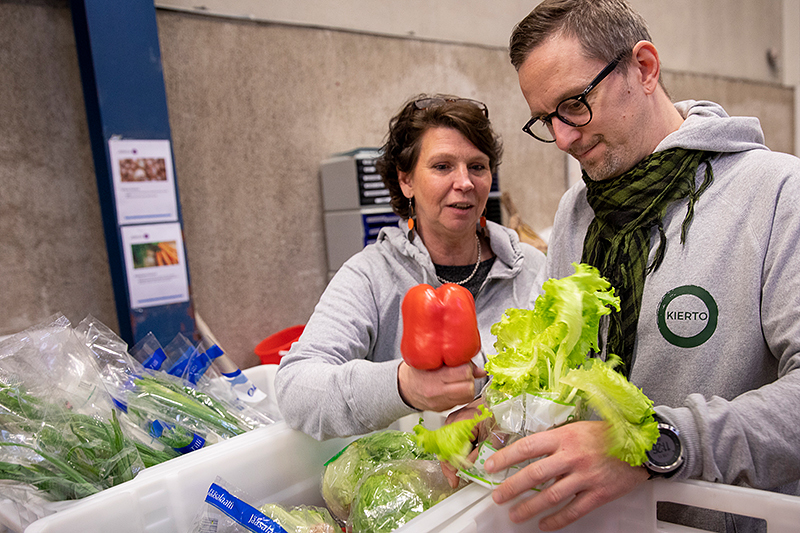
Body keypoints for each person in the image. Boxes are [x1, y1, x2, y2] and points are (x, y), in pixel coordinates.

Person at [478, 1, 800, 532]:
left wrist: (650, 441)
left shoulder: (775, 194)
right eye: (545, 119)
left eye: (574, 104)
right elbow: (563, 371)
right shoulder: (577, 212)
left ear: (644, 68)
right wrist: (496, 409)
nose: (562, 137)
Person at [274, 95, 546, 441]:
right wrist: (401, 386)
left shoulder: (530, 268)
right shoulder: (370, 276)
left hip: (518, 482)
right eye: (442, 166)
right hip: (418, 484)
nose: (465, 182)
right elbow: (295, 389)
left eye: (477, 166)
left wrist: (497, 406)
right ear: (406, 182)